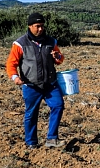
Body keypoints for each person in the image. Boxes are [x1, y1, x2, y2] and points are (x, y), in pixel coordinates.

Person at [6, 13, 65, 149]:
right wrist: (15, 77)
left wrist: (57, 56)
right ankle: (31, 142)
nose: (40, 29)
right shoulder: (20, 44)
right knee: (31, 113)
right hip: (31, 85)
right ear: (30, 26)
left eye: (42, 26)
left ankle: (52, 138)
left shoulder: (51, 42)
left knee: (58, 106)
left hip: (50, 84)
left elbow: (60, 60)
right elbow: (11, 64)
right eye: (37, 26)